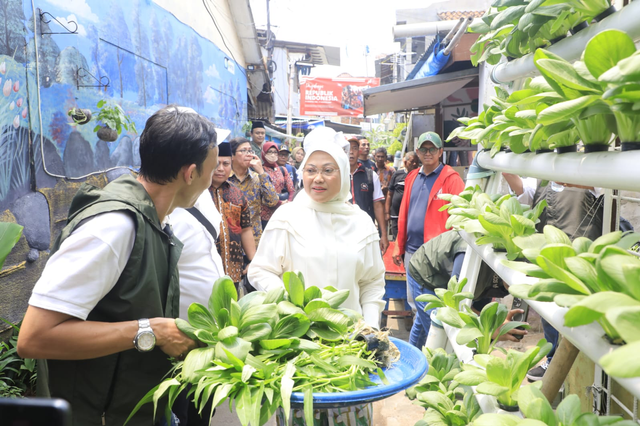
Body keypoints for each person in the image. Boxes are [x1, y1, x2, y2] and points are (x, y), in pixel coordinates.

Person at [17, 105, 216, 426]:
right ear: (190, 173)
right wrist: (151, 331)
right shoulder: (115, 228)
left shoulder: (157, 222)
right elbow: (34, 338)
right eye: (213, 167)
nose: (211, 179)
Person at [248, 129, 385, 425]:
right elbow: (260, 270)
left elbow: (372, 281)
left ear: (344, 172)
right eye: (310, 170)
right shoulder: (287, 218)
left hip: (351, 347)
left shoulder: (361, 222)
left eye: (327, 170)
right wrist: (291, 303)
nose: (317, 178)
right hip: (297, 346)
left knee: (351, 416)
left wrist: (371, 327)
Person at [407, 230, 528, 348]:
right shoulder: (467, 257)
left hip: (468, 281)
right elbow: (456, 312)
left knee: (423, 328)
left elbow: (476, 310)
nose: (515, 288)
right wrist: (490, 329)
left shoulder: (506, 270)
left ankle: (411, 363)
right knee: (441, 334)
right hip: (427, 274)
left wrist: (491, 325)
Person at [392, 131, 465, 313]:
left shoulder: (451, 179)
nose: (428, 153)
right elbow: (404, 213)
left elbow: (461, 216)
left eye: (432, 149)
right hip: (412, 249)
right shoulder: (412, 177)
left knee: (433, 303)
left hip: (436, 253)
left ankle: (430, 340)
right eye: (424, 149)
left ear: (440, 152)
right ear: (417, 151)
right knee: (414, 302)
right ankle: (423, 340)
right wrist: (398, 246)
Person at [170, 188, 224, 426]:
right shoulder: (165, 208)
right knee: (179, 409)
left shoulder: (202, 196)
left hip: (208, 335)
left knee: (203, 407)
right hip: (177, 337)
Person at [209, 142, 256, 286]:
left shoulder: (238, 195)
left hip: (233, 271)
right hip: (207, 271)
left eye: (226, 163)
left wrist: (253, 262)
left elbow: (246, 229)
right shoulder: (196, 194)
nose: (221, 169)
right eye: (216, 164)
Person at [228, 137, 279, 248]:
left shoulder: (258, 178)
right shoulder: (224, 179)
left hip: (254, 240)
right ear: (232, 156)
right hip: (230, 240)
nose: (248, 154)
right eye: (243, 151)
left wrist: (261, 171)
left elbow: (272, 201)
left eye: (250, 151)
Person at [348, 137, 389, 255]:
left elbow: (378, 206)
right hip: (342, 232)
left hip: (365, 232)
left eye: (355, 148)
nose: (351, 152)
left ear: (359, 152)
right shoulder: (335, 176)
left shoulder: (371, 175)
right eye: (348, 148)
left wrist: (383, 235)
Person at [386, 152, 419, 241]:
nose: (415, 164)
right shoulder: (397, 174)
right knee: (396, 238)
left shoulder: (420, 176)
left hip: (411, 216)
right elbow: (390, 194)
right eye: (412, 161)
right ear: (405, 162)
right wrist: (387, 213)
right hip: (396, 214)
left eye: (417, 162)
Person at [261, 142, 295, 227]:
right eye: (269, 152)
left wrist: (288, 202)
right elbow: (261, 194)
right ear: (264, 153)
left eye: (275, 152)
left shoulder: (282, 169)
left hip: (281, 213)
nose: (273, 155)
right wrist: (280, 203)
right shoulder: (260, 170)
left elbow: (291, 189)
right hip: (265, 214)